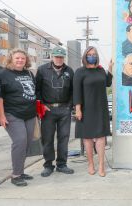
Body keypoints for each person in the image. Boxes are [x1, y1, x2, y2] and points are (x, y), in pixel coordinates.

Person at [0, 48, 37, 186]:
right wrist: (1, 115)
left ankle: (20, 170)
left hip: (30, 114)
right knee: (20, 141)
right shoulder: (4, 74)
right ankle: (15, 175)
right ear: (11, 59)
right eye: (17, 58)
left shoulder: (29, 73)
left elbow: (34, 92)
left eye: (23, 58)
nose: (20, 60)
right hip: (12, 114)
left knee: (27, 143)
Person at [35, 46, 75, 177]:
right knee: (47, 138)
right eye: (57, 56)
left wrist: (69, 106)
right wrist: (41, 105)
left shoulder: (69, 71)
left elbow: (73, 91)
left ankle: (62, 164)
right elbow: (37, 90)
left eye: (61, 57)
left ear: (64, 58)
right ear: (52, 57)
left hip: (64, 109)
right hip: (48, 109)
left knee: (64, 138)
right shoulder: (42, 70)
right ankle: (48, 165)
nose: (59, 59)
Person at [73, 46, 113, 177]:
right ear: (85, 56)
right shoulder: (80, 72)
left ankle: (101, 165)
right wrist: (78, 109)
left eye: (94, 54)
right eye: (89, 54)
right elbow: (76, 91)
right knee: (88, 138)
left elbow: (107, 83)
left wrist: (110, 70)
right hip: (86, 109)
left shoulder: (101, 70)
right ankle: (91, 164)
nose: (92, 56)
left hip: (101, 107)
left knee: (101, 137)